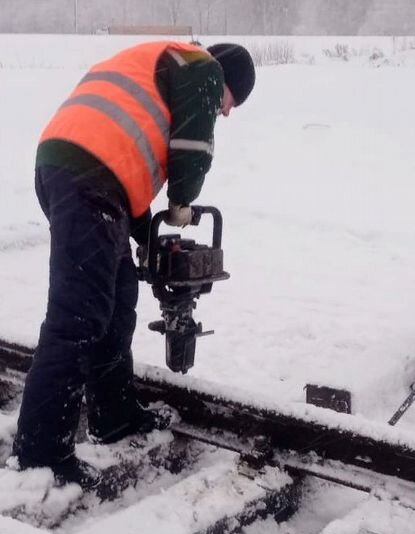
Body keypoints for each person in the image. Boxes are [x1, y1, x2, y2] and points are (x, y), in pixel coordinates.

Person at [11, 41, 256, 486]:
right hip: (88, 178)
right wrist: (183, 201)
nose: (225, 112)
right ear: (226, 81)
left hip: (78, 171)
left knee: (119, 300)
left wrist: (152, 240)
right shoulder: (204, 70)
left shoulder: (165, 66)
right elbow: (192, 147)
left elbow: (127, 171)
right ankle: (41, 454)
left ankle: (114, 414)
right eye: (231, 102)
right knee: (78, 315)